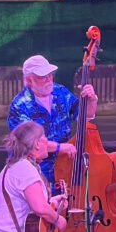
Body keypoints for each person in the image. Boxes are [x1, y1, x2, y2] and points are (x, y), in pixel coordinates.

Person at [7, 54, 96, 187]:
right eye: (43, 76)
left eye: (50, 74)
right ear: (29, 80)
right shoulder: (20, 106)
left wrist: (91, 100)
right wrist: (60, 148)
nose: (49, 79)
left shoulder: (60, 92)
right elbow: (28, 143)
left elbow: (84, 116)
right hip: (36, 173)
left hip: (65, 168)